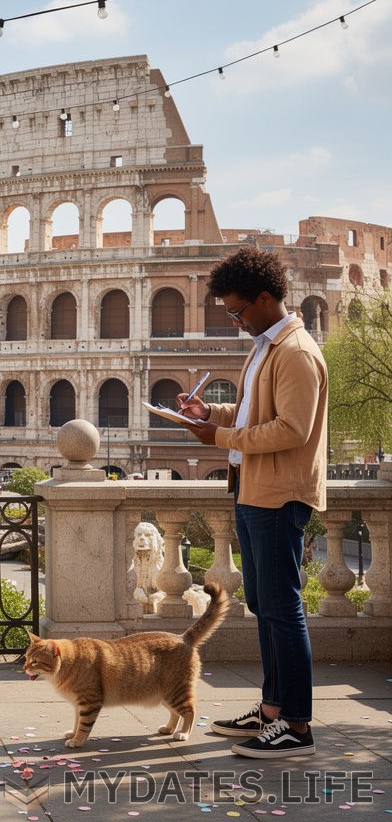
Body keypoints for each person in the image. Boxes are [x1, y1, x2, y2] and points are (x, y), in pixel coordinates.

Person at [178, 246, 326, 760]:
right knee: (265, 605)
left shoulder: (296, 351)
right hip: (251, 488)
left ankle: (297, 726)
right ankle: (271, 710)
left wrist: (219, 438)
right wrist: (210, 413)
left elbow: (292, 429)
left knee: (284, 609)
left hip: (279, 494)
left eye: (238, 311)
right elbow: (252, 413)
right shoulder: (265, 345)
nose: (235, 321)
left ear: (266, 298)